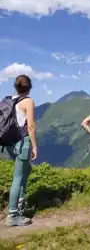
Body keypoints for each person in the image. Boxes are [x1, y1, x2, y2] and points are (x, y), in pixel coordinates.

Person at [5, 75, 37, 226]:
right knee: (18, 177)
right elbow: (30, 126)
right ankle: (13, 215)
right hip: (22, 143)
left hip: (9, 143)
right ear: (29, 87)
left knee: (26, 170)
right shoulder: (28, 101)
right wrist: (35, 146)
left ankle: (20, 204)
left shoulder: (9, 100)